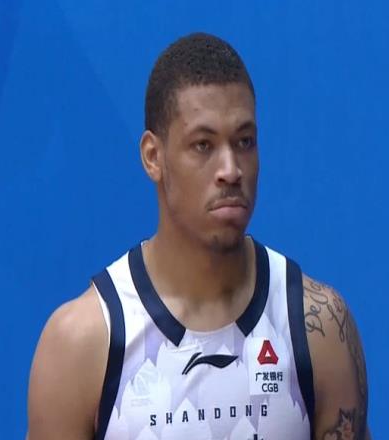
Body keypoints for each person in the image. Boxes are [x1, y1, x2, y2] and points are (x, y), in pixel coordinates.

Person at [27, 33, 370, 440]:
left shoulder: (319, 329)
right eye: (203, 145)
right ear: (153, 156)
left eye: (244, 142)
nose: (231, 169)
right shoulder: (82, 345)